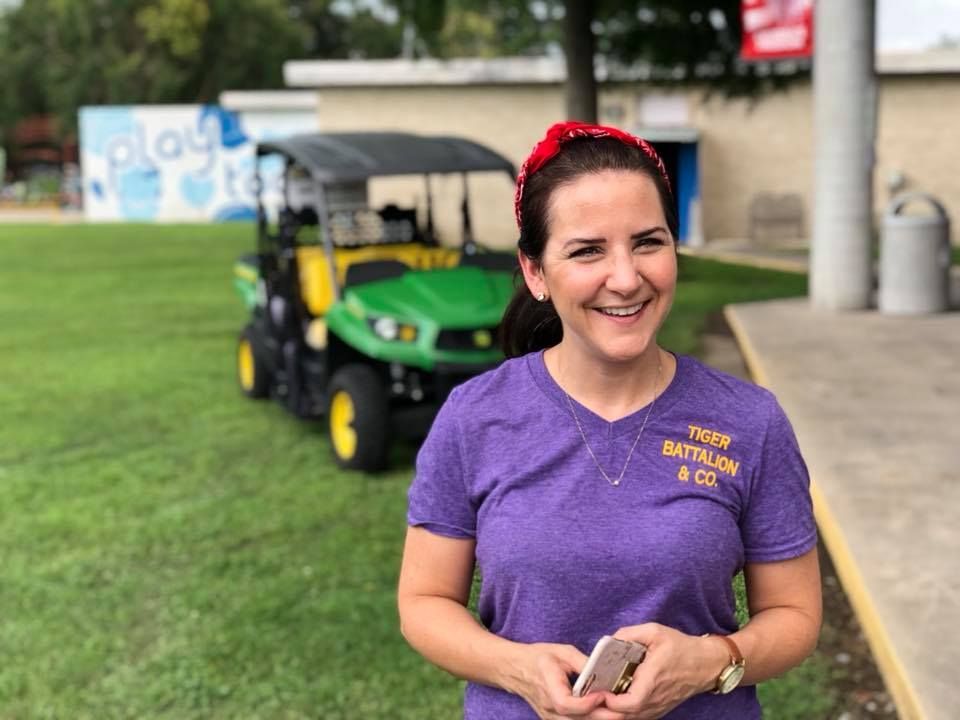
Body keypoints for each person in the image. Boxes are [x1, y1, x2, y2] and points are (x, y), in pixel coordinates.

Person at [397, 121, 821, 720]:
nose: (625, 278)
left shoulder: (749, 420)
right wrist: (514, 669)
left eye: (648, 242)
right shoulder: (475, 418)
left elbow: (796, 616)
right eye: (587, 250)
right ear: (537, 272)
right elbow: (424, 599)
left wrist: (713, 660)